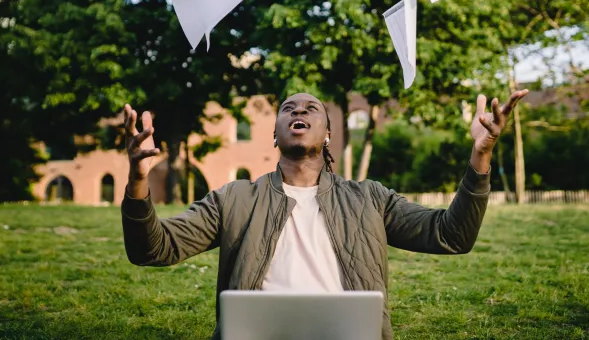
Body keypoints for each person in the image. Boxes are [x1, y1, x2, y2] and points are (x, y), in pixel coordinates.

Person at [121, 90, 528, 340]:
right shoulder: (234, 198)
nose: (299, 111)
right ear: (276, 134)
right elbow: (154, 250)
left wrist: (481, 155)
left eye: (312, 108)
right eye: (288, 108)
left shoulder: (369, 198)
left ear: (328, 134)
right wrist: (138, 178)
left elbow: (451, 236)